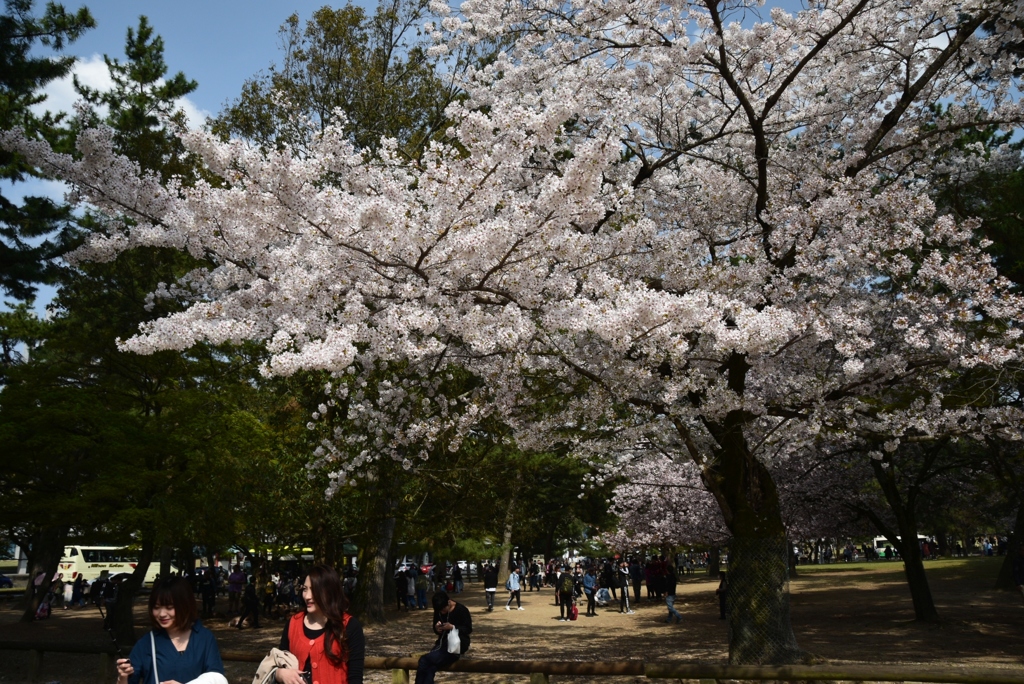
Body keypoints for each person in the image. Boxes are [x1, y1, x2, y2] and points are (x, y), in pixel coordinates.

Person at [115, 577, 226, 684]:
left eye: (169, 607)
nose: (162, 614)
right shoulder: (147, 643)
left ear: (185, 605)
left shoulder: (204, 638)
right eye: (156, 607)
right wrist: (122, 677)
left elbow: (216, 679)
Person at [276, 565, 365, 684]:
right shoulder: (293, 623)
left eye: (314, 590)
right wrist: (279, 674)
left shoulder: (350, 626)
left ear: (330, 591)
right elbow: (280, 660)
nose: (307, 596)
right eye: (305, 589)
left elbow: (355, 678)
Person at [415, 591, 471, 684]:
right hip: (442, 644)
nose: (442, 612)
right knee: (430, 667)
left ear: (448, 602)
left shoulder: (461, 610)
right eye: (439, 610)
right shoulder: (439, 610)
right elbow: (435, 628)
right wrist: (437, 628)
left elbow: (468, 629)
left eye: (443, 609)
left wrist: (453, 627)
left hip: (456, 646)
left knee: (424, 660)